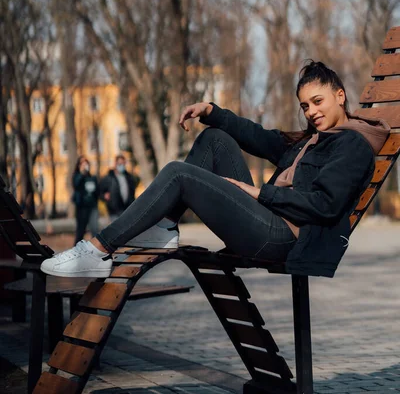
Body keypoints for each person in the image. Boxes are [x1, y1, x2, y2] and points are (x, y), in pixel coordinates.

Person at [41, 61, 390, 279]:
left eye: (318, 102)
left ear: (340, 96)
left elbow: (323, 205)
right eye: (305, 105)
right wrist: (211, 111)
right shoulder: (311, 139)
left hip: (284, 237)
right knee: (216, 138)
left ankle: (99, 250)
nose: (311, 111)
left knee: (180, 173)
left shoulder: (352, 146)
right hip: (267, 219)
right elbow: (258, 137)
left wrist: (260, 193)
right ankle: (164, 227)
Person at [99, 154, 139, 220]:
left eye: (123, 163)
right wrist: (104, 196)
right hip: (114, 211)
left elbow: (132, 192)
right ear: (115, 164)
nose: (121, 165)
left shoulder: (129, 177)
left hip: (127, 209)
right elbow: (100, 192)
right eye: (119, 163)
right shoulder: (108, 178)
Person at [71, 156, 99, 245]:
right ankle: (76, 249)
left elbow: (97, 191)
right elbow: (76, 185)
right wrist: (82, 174)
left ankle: (94, 248)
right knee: (81, 230)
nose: (85, 165)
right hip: (82, 207)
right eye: (82, 164)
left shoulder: (92, 177)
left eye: (86, 163)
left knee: (94, 229)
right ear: (79, 165)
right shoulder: (77, 176)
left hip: (92, 206)